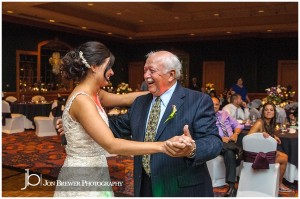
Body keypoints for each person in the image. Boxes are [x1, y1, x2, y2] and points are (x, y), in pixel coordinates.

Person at [57, 50, 222, 197]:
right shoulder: (140, 103)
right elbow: (112, 127)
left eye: (152, 70)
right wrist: (77, 124)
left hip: (181, 190)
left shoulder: (197, 101)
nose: (146, 76)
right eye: (145, 70)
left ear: (171, 75)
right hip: (145, 188)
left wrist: (192, 149)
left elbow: (214, 142)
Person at [248, 102, 292, 193]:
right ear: (263, 112)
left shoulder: (269, 123)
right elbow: (247, 138)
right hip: (256, 156)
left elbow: (266, 134)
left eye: (271, 110)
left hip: (263, 152)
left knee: (284, 156)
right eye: (266, 110)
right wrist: (260, 134)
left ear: (274, 112)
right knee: (284, 158)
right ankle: (279, 184)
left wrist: (273, 136)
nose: (268, 112)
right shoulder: (259, 122)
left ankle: (277, 182)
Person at [212, 97, 244, 197]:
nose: (214, 106)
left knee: (229, 153)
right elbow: (205, 134)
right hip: (216, 142)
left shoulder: (224, 114)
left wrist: (236, 134)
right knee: (228, 148)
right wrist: (221, 139)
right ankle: (236, 148)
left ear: (219, 105)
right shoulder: (205, 117)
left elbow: (238, 125)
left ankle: (231, 187)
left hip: (230, 142)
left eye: (216, 104)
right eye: (212, 104)